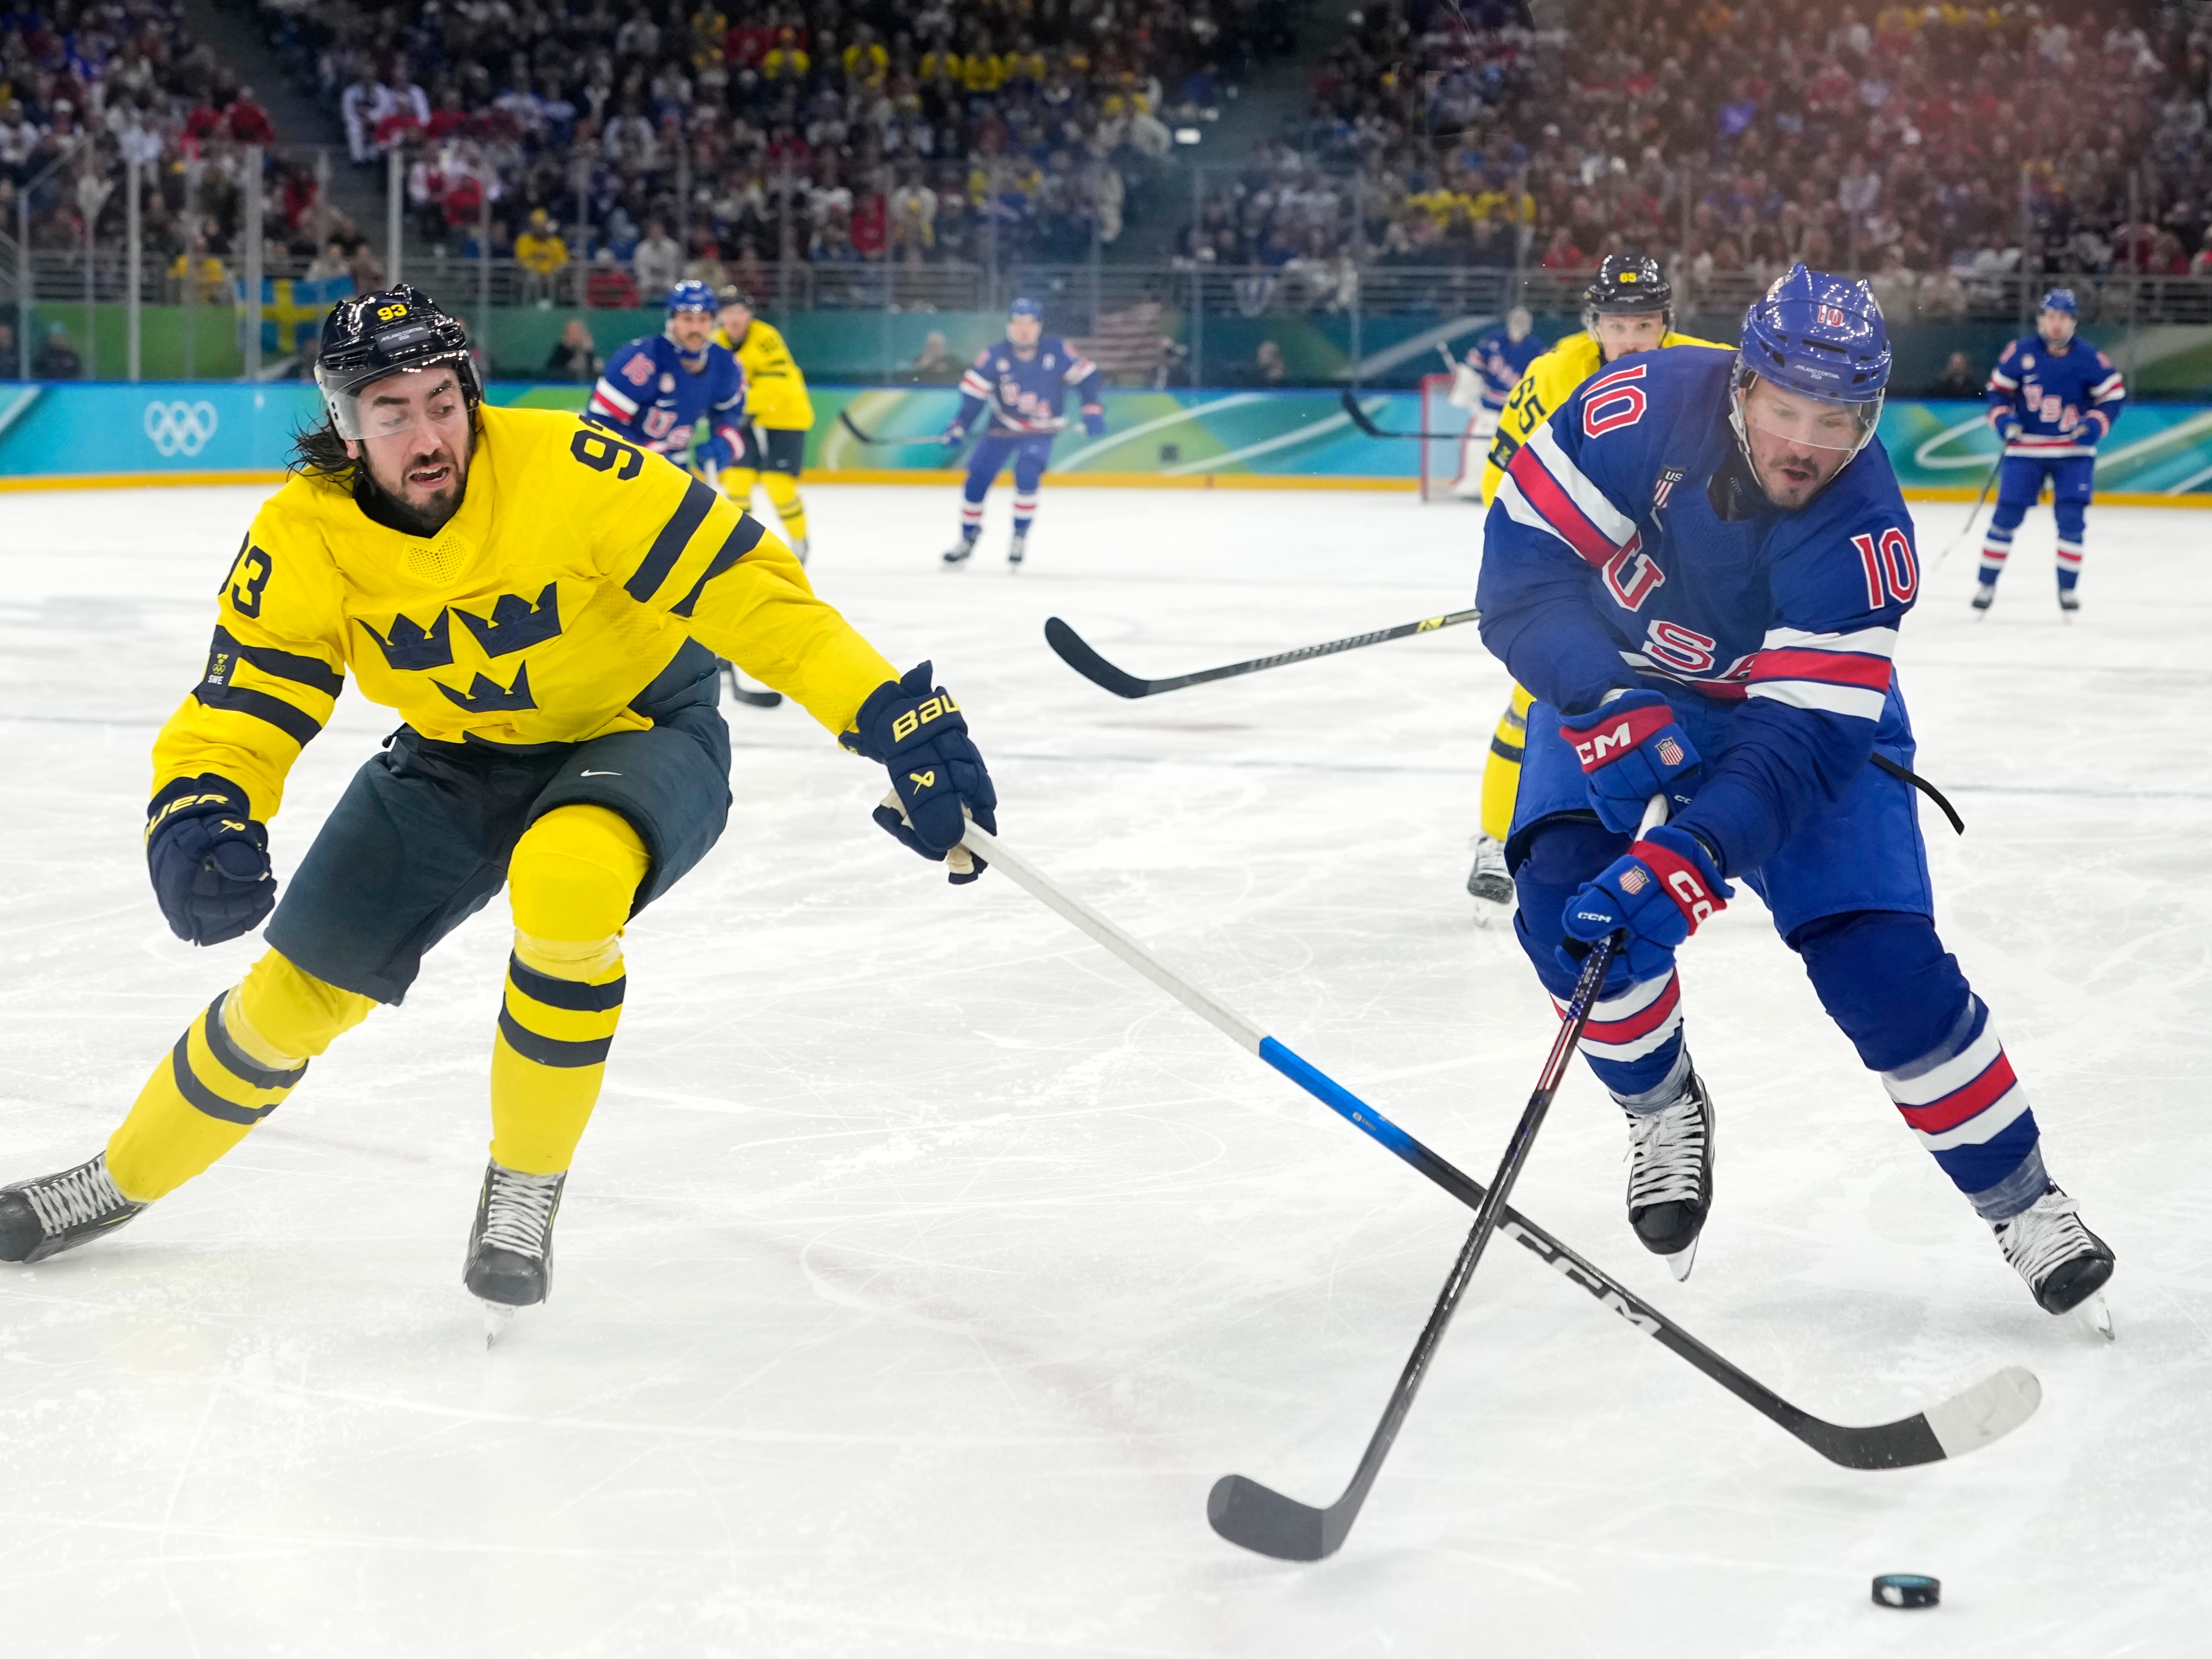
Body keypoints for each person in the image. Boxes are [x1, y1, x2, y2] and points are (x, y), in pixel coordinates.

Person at [0, 287, 998, 1326]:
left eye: (444, 400)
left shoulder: (573, 468)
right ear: (344, 428)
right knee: (291, 996)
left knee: (565, 886)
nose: (430, 435)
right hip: (455, 757)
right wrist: (205, 803)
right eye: (392, 413)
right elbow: (247, 696)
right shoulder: (305, 532)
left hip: (641, 728)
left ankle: (524, 1186)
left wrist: (894, 715)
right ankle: (116, 1179)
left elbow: (749, 592)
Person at [1476, 264, 2113, 1325]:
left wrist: (1698, 849)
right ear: (1741, 389)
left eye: (1838, 418)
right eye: (1786, 409)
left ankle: (2022, 1198)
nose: (1807, 442)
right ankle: (1661, 1103)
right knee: (1562, 910)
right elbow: (1521, 582)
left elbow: (1802, 739)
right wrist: (1596, 697)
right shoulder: (1627, 409)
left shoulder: (1865, 530)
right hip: (1620, 691)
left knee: (1888, 973)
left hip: (1796, 732)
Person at [1464, 257, 1727, 921]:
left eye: (1644, 324)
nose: (1631, 339)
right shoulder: (1551, 376)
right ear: (1594, 324)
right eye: (1617, 324)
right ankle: (1496, 840)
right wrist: (1541, 571)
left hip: (1668, 584)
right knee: (1536, 698)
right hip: (1578, 573)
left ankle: (1702, 845)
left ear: (1666, 325)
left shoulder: (1713, 370)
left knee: (1700, 701)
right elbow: (1506, 486)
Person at [1974, 289, 2126, 616]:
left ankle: (2067, 589)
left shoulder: (2089, 357)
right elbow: (1997, 393)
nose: (2056, 325)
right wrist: (2005, 422)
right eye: (2051, 317)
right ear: (2041, 319)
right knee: (2006, 516)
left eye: (2064, 318)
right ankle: (1986, 584)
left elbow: (2113, 395)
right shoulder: (2020, 352)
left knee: (2071, 521)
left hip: (2073, 453)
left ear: (2073, 322)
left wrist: (2095, 424)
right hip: (2025, 450)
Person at [941, 298, 1104, 569]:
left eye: (1029, 324)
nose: (1023, 330)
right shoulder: (994, 356)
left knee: (1027, 474)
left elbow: (1088, 376)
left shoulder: (1057, 351)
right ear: (1009, 327)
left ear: (1038, 326)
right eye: (1017, 323)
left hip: (1041, 431)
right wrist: (959, 425)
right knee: (976, 480)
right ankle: (968, 537)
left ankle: (1019, 535)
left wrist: (1092, 407)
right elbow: (973, 398)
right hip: (1002, 428)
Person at [703, 286, 814, 564]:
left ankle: (799, 542)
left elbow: (775, 388)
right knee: (737, 481)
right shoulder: (716, 342)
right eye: (728, 312)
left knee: (777, 483)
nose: (734, 318)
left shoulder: (766, 339)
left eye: (740, 311)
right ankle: (742, 545)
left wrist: (739, 405)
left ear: (749, 315)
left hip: (785, 417)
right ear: (720, 318)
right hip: (747, 417)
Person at [1444, 305, 1541, 498]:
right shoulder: (1494, 341)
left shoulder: (1536, 349)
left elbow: (1539, 381)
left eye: (1523, 322)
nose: (1518, 325)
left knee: (1515, 453)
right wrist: (1465, 384)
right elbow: (1474, 368)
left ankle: (1511, 491)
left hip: (1515, 412)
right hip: (1488, 409)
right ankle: (1473, 486)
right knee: (1477, 447)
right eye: (1515, 320)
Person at [543, 317, 602, 382]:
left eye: (577, 332)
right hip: (565, 384)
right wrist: (567, 349)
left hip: (586, 384)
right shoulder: (561, 350)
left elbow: (594, 371)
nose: (574, 336)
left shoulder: (587, 351)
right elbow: (552, 370)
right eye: (571, 333)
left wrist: (588, 352)